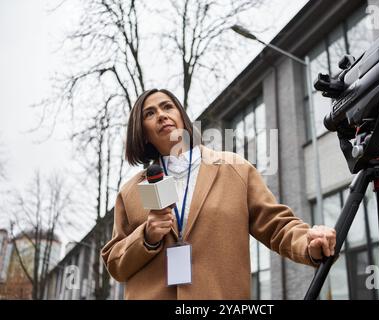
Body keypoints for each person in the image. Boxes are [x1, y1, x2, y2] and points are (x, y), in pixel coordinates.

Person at [101, 88, 337, 299]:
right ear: (142, 132)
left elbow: (277, 226)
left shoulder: (235, 170)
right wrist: (147, 236)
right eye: (149, 113)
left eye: (167, 106)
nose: (161, 115)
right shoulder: (130, 192)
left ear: (182, 117)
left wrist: (308, 241)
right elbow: (115, 263)